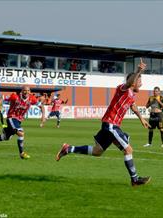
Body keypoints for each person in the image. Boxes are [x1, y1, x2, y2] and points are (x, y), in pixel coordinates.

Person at [55, 58, 151, 187]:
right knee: (128, 149)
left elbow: (132, 106)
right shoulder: (122, 89)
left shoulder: (132, 95)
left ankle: (69, 149)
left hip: (111, 126)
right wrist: (138, 71)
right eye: (139, 81)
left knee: (97, 151)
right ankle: (135, 179)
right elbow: (128, 84)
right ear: (133, 82)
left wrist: (141, 118)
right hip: (111, 125)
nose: (141, 84)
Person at [0, 86, 45, 159]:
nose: (27, 92)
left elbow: (42, 106)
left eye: (28, 90)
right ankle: (22, 153)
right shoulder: (15, 97)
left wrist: (43, 116)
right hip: (11, 118)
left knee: (5, 137)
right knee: (21, 133)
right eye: (25, 90)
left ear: (30, 92)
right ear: (21, 91)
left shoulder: (32, 99)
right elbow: (2, 98)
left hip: (19, 120)